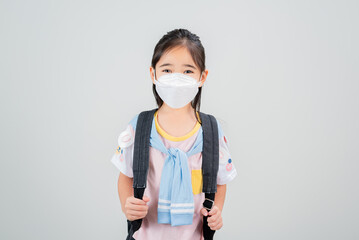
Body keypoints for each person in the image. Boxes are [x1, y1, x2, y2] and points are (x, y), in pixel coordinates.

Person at [111, 28, 237, 240]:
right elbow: (125, 176)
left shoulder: (211, 133)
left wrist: (216, 210)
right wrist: (128, 205)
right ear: (153, 74)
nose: (177, 79)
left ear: (202, 76)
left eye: (187, 71)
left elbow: (219, 181)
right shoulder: (139, 128)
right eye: (167, 70)